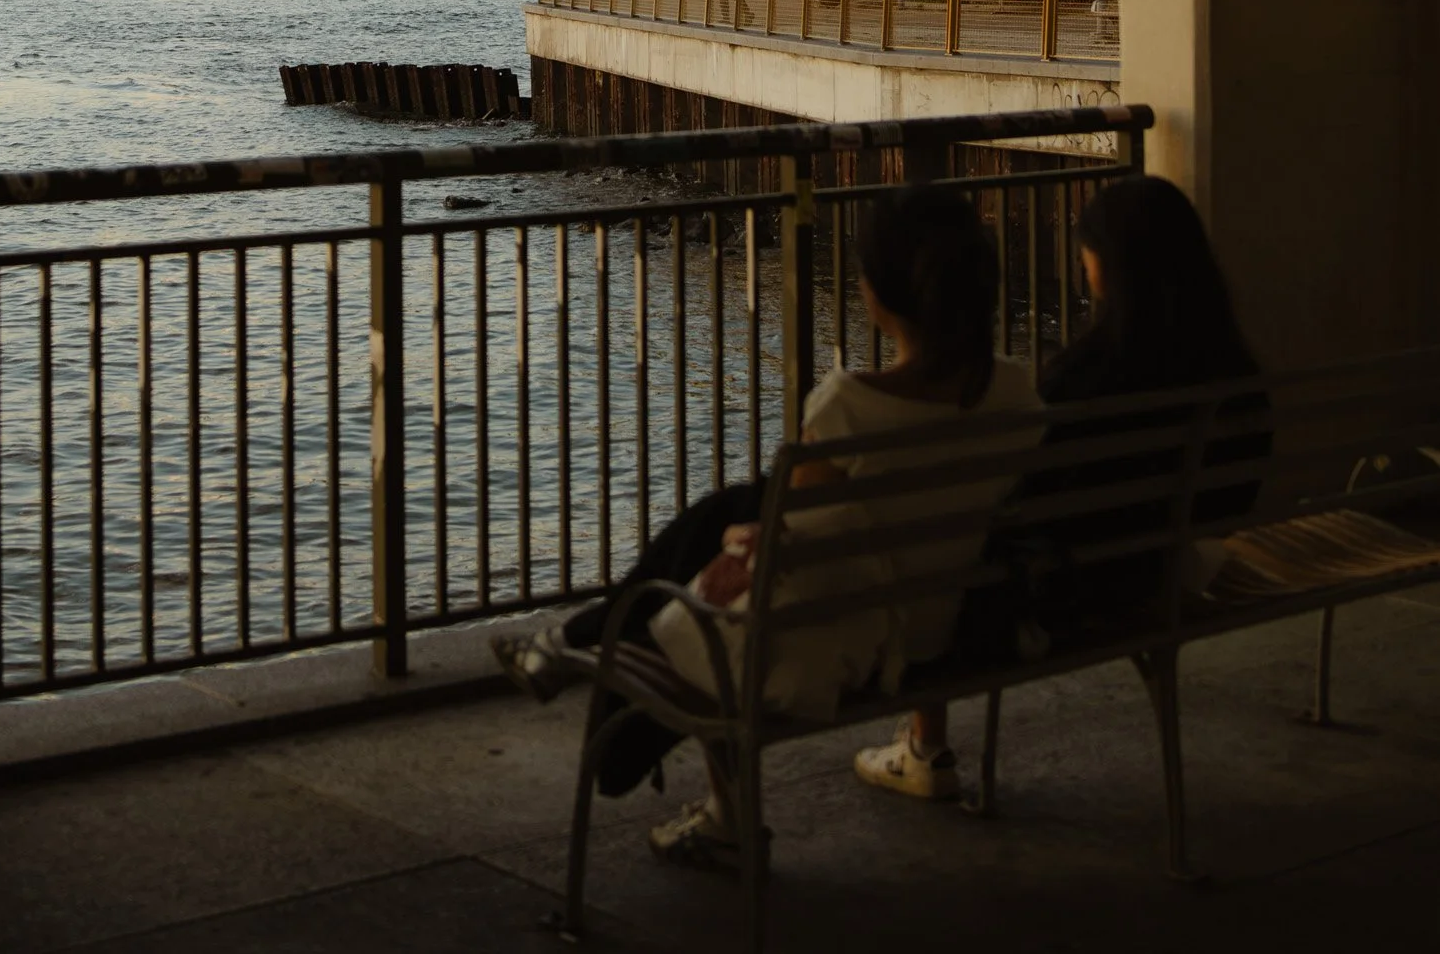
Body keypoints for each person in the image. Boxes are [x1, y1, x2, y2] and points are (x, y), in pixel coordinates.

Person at [495, 187, 1040, 868]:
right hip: (950, 621)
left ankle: (721, 810)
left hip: (844, 644)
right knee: (727, 515)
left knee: (709, 566)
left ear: (877, 295)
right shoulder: (1019, 393)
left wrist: (735, 551)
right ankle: (574, 644)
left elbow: (781, 547)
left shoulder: (847, 407)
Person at [851, 173, 1264, 803]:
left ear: (1112, 263)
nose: (1082, 260)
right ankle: (920, 745)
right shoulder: (1230, 368)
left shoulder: (1088, 377)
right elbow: (1234, 501)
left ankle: (923, 745)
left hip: (1071, 593)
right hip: (1160, 565)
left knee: (951, 551)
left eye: (1087, 249)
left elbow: (1018, 502)